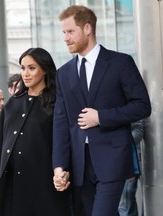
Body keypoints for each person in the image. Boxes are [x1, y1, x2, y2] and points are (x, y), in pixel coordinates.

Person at [52, 5, 151, 216]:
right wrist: (59, 166)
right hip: (79, 164)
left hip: (112, 158)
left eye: (70, 31)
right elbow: (61, 123)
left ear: (87, 28)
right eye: (63, 33)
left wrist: (101, 117)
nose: (66, 38)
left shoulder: (121, 63)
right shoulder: (63, 73)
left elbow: (142, 106)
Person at [0, 48, 71, 216]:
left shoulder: (56, 102)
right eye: (23, 68)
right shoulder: (12, 104)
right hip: (12, 181)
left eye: (32, 68)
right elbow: (0, 141)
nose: (25, 73)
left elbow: (63, 141)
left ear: (44, 69)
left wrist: (64, 170)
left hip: (44, 181)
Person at [117, 120, 144, 216]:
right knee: (126, 207)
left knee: (125, 207)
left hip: (128, 164)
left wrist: (117, 141)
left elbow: (138, 131)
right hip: (115, 167)